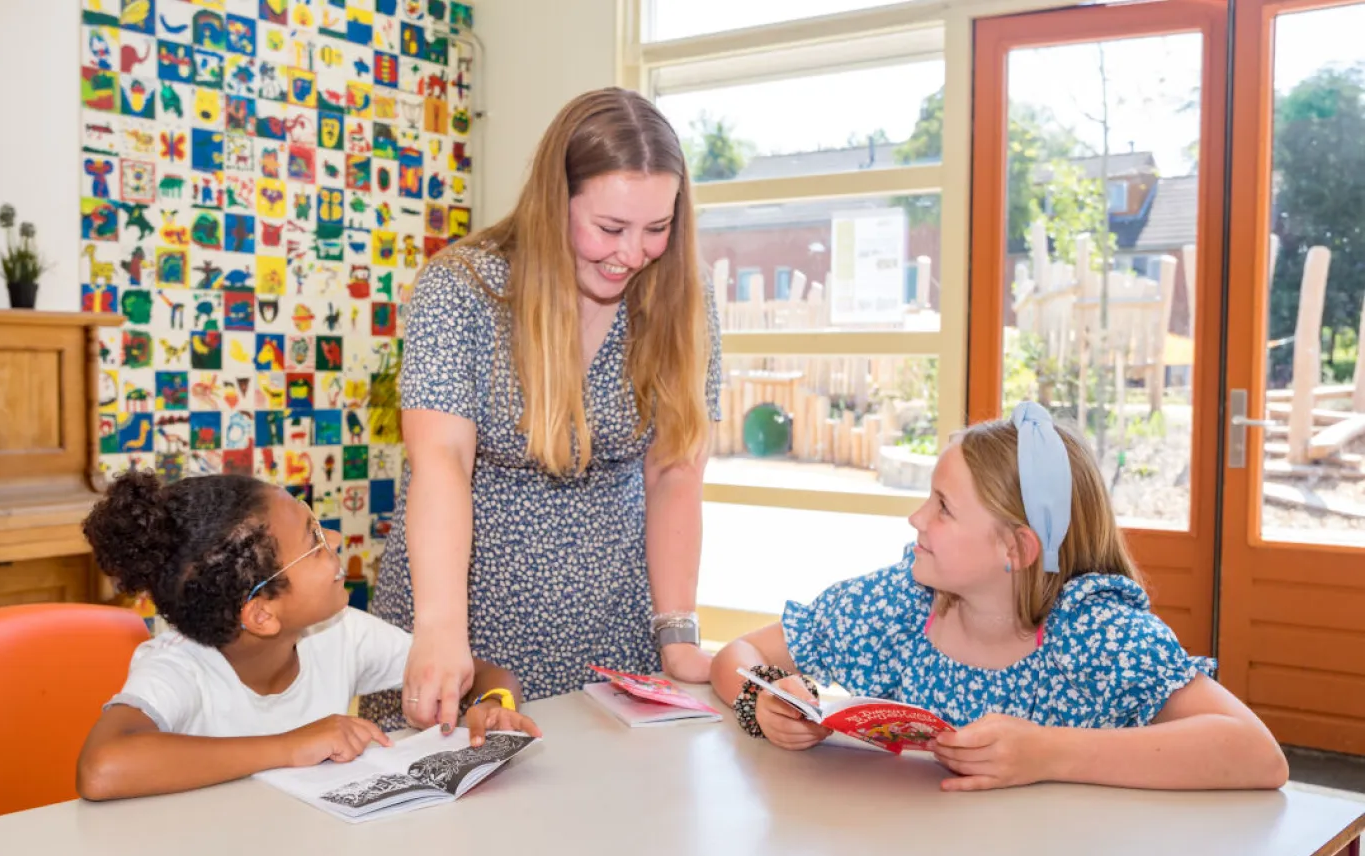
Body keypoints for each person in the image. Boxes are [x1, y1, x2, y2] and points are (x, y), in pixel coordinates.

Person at [363, 86, 722, 731]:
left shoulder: (683, 300)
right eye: (610, 228)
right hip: (468, 623)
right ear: (555, 201)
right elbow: (440, 460)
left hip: (612, 630)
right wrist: (440, 629)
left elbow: (675, 474)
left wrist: (677, 633)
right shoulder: (465, 287)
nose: (632, 253)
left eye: (657, 228)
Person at [710, 403, 1289, 792]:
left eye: (943, 507)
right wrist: (760, 705)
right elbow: (735, 654)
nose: (916, 518)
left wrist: (1049, 755)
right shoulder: (902, 603)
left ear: (1016, 548)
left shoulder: (1094, 631)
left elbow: (1257, 755)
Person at [75, 472, 541, 802]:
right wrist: (290, 745)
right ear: (261, 614)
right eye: (315, 540)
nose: (336, 539)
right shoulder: (179, 665)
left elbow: (478, 673)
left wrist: (494, 703)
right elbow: (101, 768)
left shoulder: (336, 633)